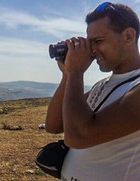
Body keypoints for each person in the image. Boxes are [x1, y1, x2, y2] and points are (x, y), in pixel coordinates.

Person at [44, 2, 140, 180]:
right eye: (89, 43)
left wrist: (76, 72)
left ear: (128, 36)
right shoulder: (101, 85)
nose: (92, 51)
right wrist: (67, 74)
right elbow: (54, 125)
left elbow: (77, 135)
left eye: (98, 41)